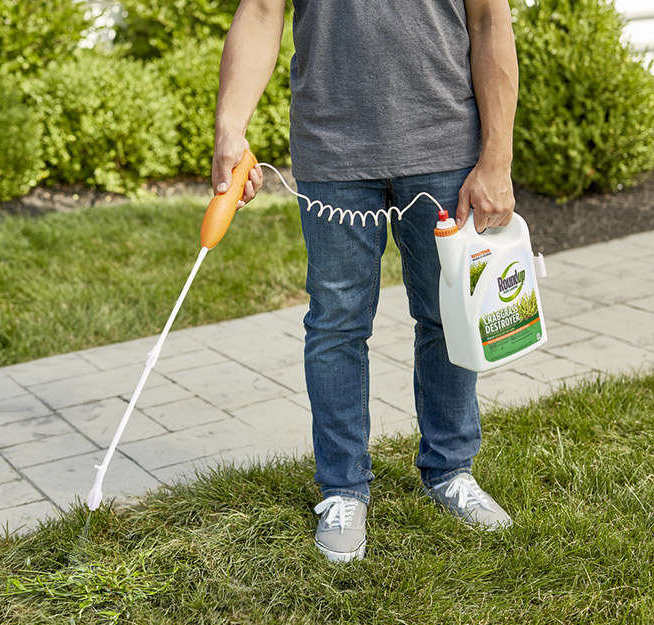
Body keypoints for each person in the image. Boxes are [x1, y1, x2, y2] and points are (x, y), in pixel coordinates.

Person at [212, 0, 519, 562]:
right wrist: (230, 125)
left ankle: (450, 470)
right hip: (332, 151)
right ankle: (342, 489)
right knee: (336, 324)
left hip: (444, 143)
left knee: (447, 316)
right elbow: (260, 11)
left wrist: (496, 156)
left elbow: (489, 19)